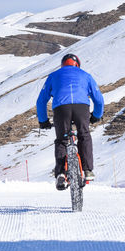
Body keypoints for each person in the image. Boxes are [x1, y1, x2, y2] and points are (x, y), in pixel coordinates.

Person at [36, 54, 104, 190]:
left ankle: (60, 173)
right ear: (77, 65)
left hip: (61, 109)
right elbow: (99, 99)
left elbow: (41, 101)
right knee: (84, 135)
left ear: (62, 65)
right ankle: (88, 170)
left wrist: (43, 121)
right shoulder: (86, 75)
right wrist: (96, 115)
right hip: (81, 107)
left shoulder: (53, 76)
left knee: (61, 140)